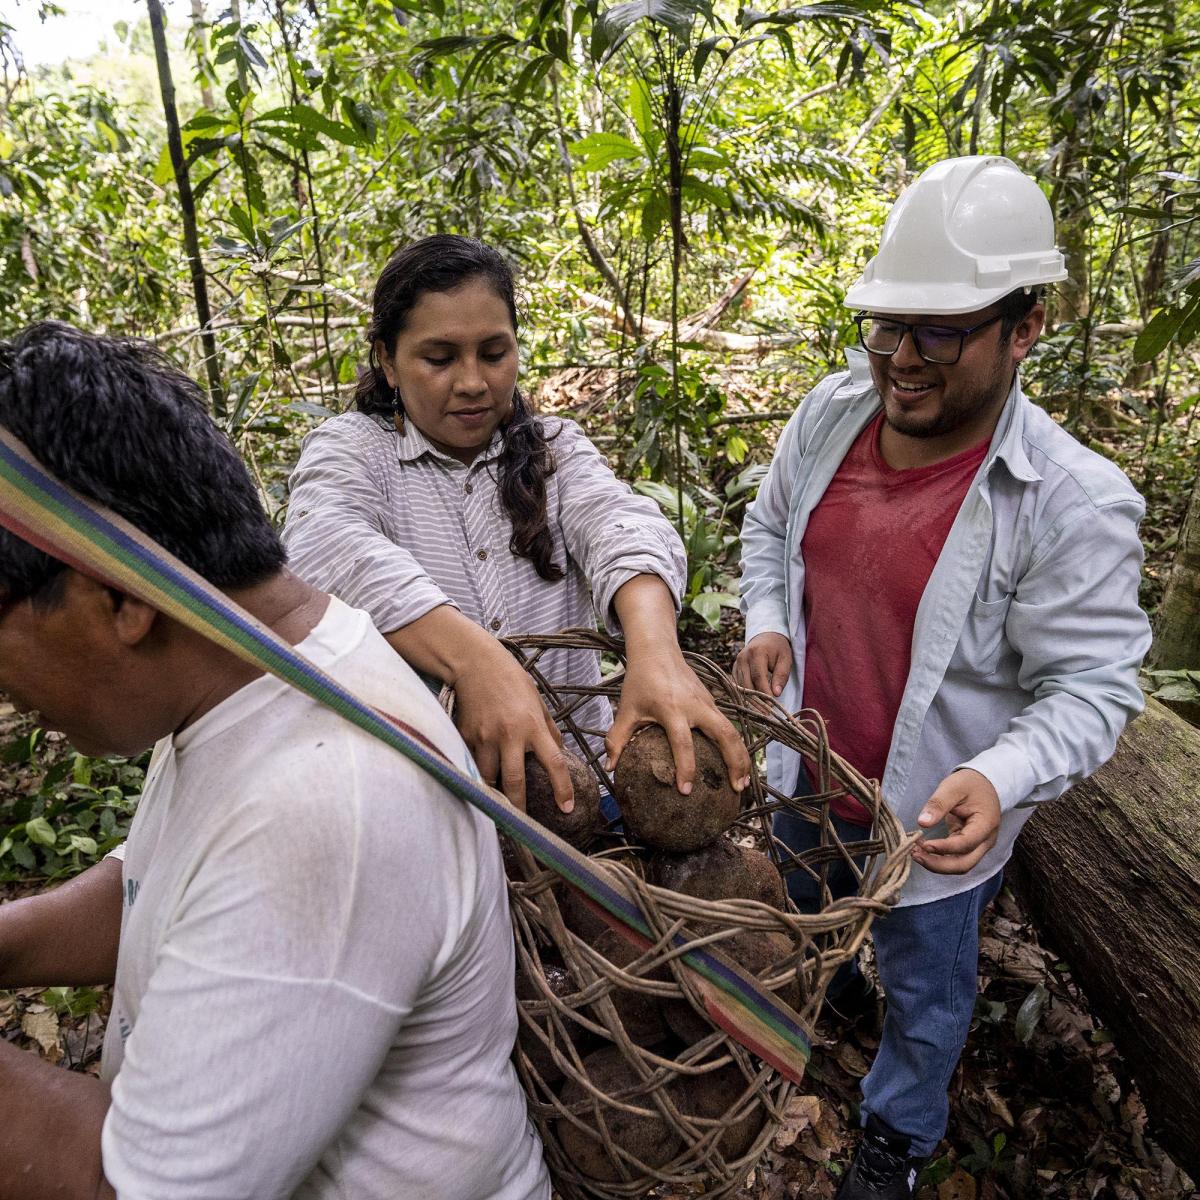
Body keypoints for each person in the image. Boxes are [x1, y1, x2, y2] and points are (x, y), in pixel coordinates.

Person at [0, 322, 549, 1200]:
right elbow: (160, 886)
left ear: (116, 599)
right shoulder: (259, 671)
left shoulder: (323, 798)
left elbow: (130, 1188)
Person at [734, 156, 1151, 1199]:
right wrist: (772, 617)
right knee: (793, 920)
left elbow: (1095, 688)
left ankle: (896, 1140)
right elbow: (771, 525)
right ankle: (793, 1030)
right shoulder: (833, 413)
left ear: (1027, 328)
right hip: (810, 775)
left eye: (940, 332)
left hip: (934, 815)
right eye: (885, 326)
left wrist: (1001, 776)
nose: (902, 361)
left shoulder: (1071, 502)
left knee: (927, 990)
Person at [282, 235, 751, 815]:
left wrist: (656, 655)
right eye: (440, 358)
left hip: (584, 790)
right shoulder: (355, 452)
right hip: (431, 801)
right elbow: (326, 546)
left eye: (493, 352)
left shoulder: (556, 450)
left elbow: (619, 523)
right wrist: (476, 660)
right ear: (388, 360)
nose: (473, 382)